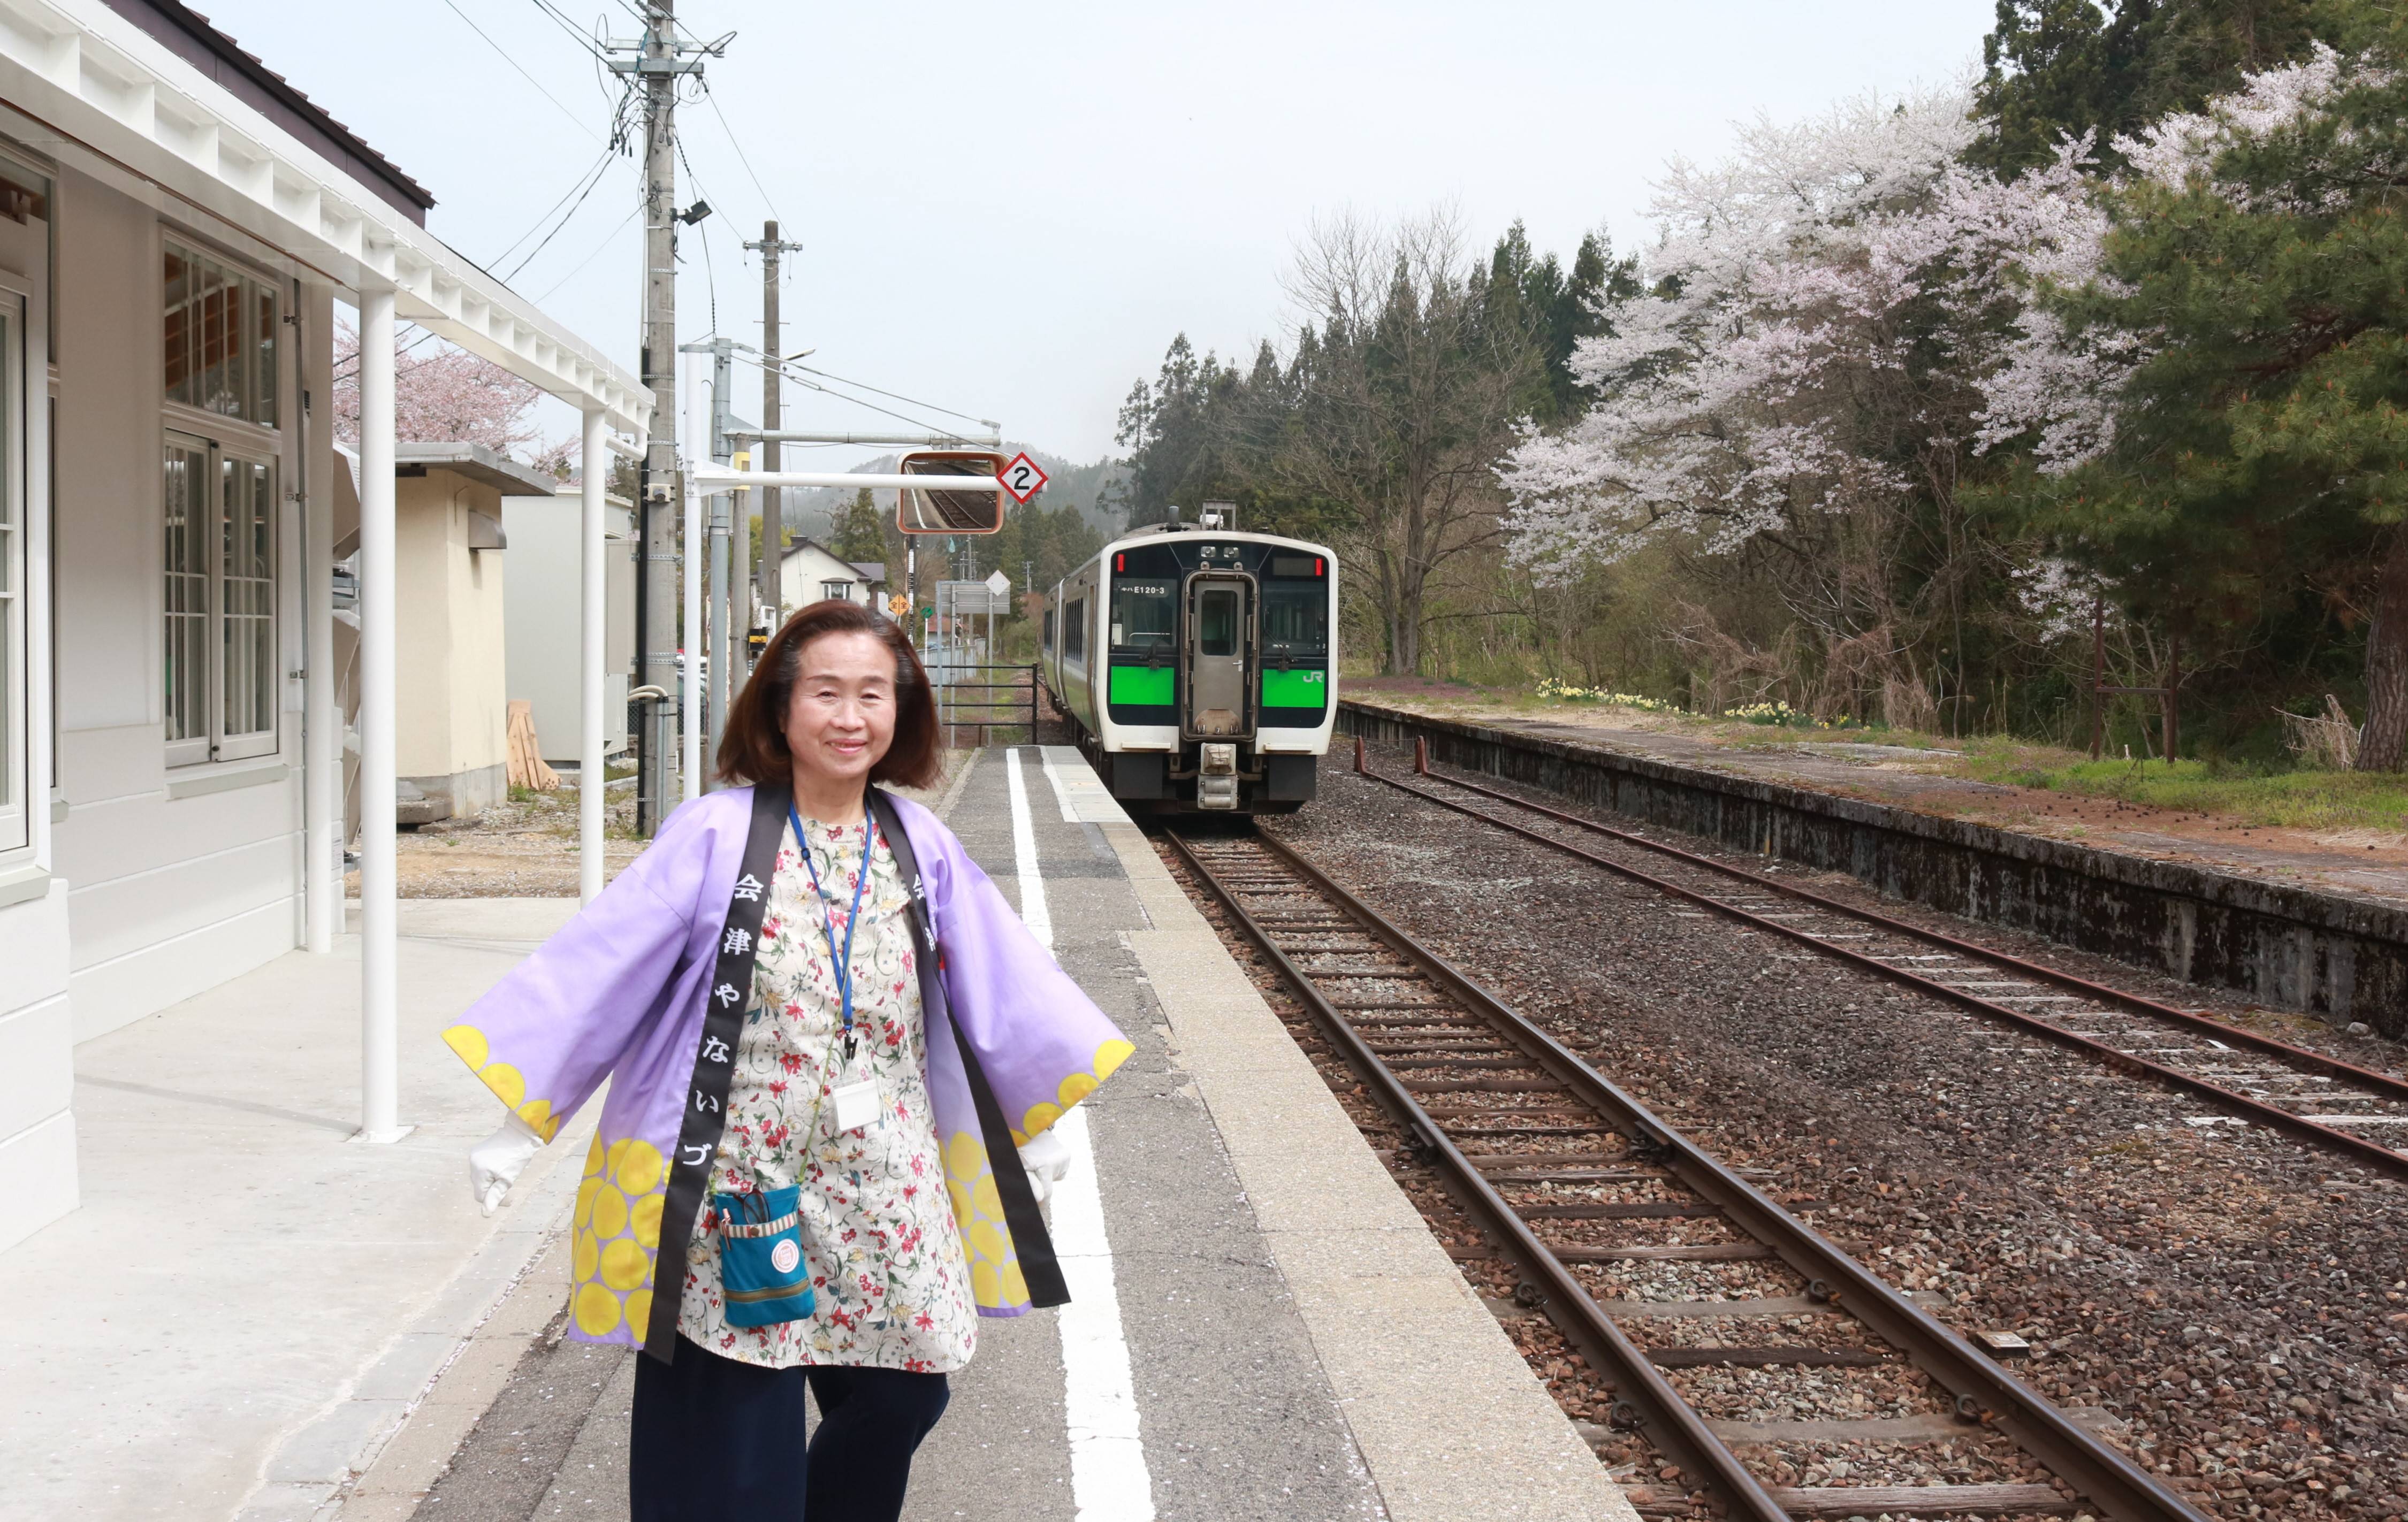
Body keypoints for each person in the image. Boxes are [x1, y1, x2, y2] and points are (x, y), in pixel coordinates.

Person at [445, 599, 1133, 1521]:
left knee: (908, 1384)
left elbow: (1005, 987)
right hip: (745, 1181)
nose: (850, 717)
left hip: (884, 1172)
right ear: (779, 710)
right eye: (826, 693)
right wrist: (517, 1122)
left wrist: (1041, 1123)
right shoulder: (714, 834)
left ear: (902, 712)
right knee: (743, 1427)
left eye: (873, 695)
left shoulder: (916, 841)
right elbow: (599, 969)